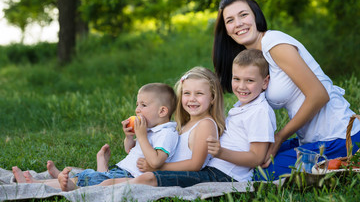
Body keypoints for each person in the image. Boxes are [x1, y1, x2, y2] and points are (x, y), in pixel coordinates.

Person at [212, 0, 360, 180]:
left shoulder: (274, 43)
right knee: (253, 159)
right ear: (226, 29)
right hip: (311, 139)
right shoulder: (255, 60)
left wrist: (280, 136)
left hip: (338, 137)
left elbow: (319, 95)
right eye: (230, 20)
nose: (238, 23)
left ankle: (347, 160)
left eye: (243, 15)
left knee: (260, 174)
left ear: (255, 16)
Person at [100, 50, 276, 187]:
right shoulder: (242, 107)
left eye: (250, 81)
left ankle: (110, 185)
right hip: (214, 169)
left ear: (265, 82)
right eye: (236, 79)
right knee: (147, 175)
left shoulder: (259, 111)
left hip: (226, 176)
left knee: (150, 177)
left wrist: (221, 152)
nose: (242, 86)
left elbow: (256, 158)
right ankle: (107, 181)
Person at [12, 82, 179, 191]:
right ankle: (61, 179)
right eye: (137, 105)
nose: (137, 110)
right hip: (121, 171)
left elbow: (156, 161)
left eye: (143, 105)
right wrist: (129, 137)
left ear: (162, 111)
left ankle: (35, 185)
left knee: (90, 179)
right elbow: (130, 150)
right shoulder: (150, 129)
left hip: (131, 177)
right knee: (91, 176)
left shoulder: (167, 133)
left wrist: (142, 136)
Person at [98, 66, 228, 187]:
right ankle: (102, 172)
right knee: (108, 181)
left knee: (109, 184)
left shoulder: (205, 124)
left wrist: (158, 168)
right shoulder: (183, 124)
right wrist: (131, 137)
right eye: (187, 93)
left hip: (167, 173)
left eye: (199, 93)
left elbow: (195, 164)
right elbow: (140, 149)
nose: (192, 98)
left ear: (213, 97)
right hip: (155, 169)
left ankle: (99, 177)